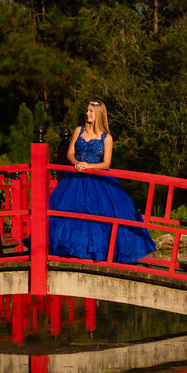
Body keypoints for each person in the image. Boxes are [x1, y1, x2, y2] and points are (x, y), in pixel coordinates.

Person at [47, 101, 155, 264]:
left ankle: (99, 251)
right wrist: (77, 163)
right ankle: (71, 249)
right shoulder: (78, 130)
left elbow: (106, 163)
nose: (88, 113)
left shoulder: (107, 137)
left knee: (101, 214)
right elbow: (69, 153)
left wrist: (89, 166)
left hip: (97, 177)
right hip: (76, 177)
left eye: (91, 111)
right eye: (87, 110)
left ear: (99, 114)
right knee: (70, 212)